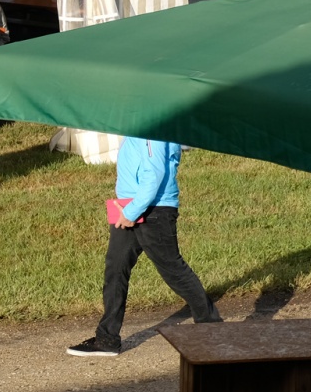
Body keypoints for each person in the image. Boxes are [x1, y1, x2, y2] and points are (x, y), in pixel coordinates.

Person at [66, 137, 222, 357]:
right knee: (115, 268)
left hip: (152, 210)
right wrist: (128, 209)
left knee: (172, 269)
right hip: (129, 206)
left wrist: (132, 212)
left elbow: (154, 173)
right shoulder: (137, 128)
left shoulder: (151, 129)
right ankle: (107, 339)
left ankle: (212, 327)